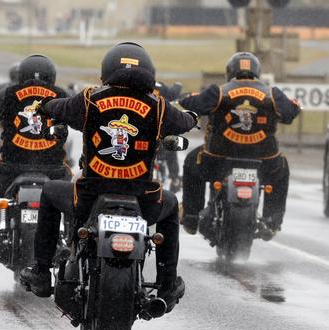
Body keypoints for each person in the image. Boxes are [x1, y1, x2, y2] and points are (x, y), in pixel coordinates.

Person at [19, 43, 197, 312]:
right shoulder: (159, 106)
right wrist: (192, 116)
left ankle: (42, 272)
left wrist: (45, 107)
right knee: (170, 207)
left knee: (50, 191)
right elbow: (184, 122)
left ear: (107, 70)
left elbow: (60, 107)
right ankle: (166, 284)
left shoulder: (90, 99)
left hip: (90, 196)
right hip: (142, 198)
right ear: (149, 71)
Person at [178, 52, 300, 240]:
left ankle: (191, 217)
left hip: (218, 159)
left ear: (230, 71)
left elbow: (194, 104)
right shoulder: (272, 94)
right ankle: (272, 221)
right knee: (282, 168)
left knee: (191, 162)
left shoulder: (219, 91)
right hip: (264, 162)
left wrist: (184, 97)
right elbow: (290, 113)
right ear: (257, 71)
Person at [0, 55, 72, 248]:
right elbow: (77, 116)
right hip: (53, 169)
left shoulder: (10, 92)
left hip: (13, 166)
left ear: (21, 74)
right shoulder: (61, 93)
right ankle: (74, 236)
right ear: (52, 76)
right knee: (74, 192)